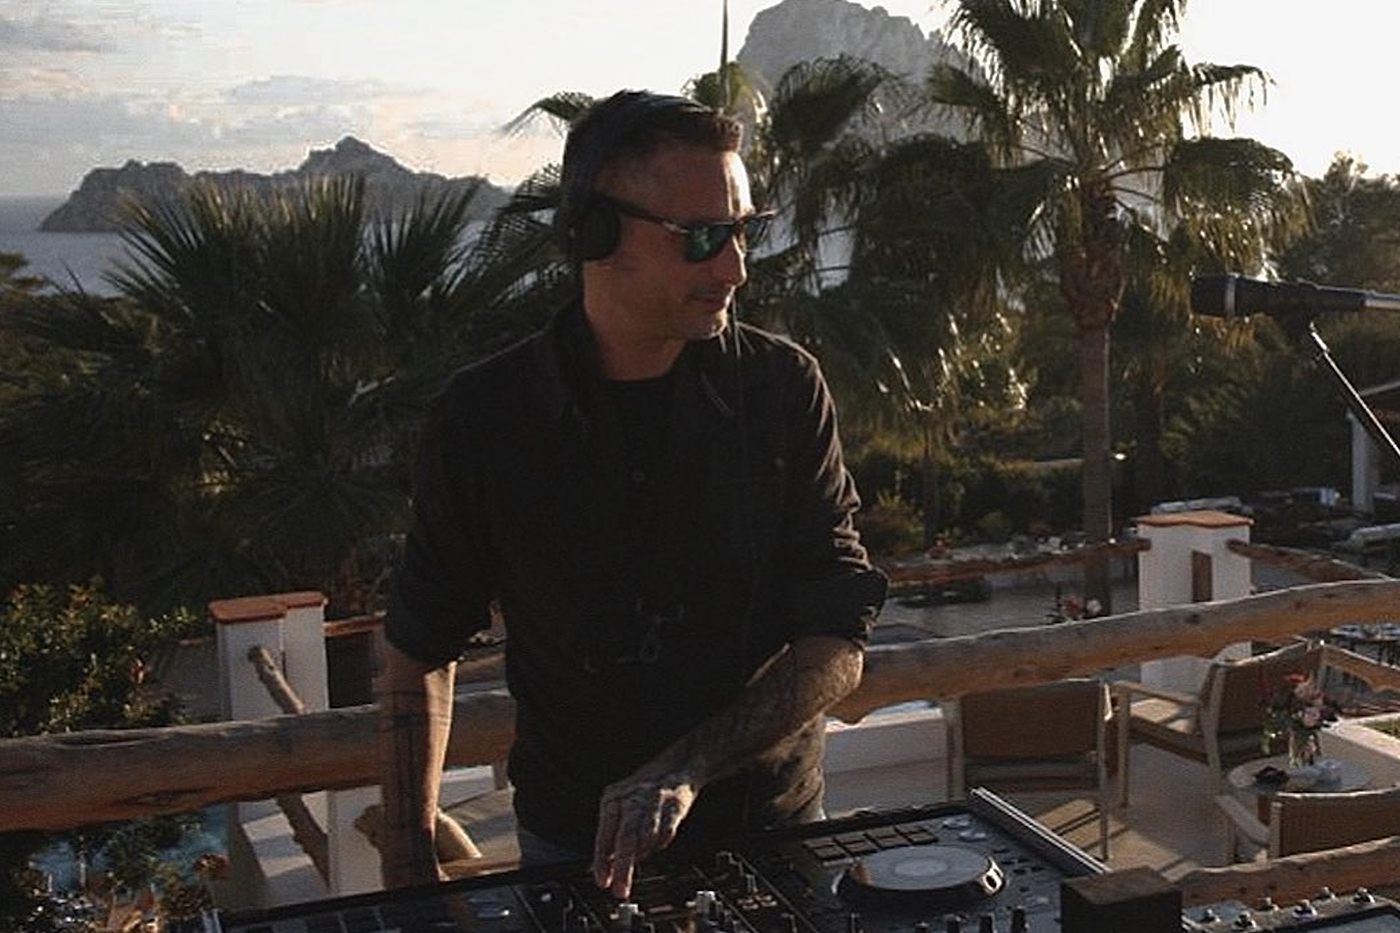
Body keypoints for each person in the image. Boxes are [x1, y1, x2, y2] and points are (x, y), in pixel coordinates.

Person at [376, 89, 887, 899]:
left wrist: (685, 766)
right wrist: (408, 868)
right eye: (703, 237)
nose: (735, 267)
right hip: (573, 854)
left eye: (743, 232)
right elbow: (421, 643)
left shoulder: (783, 390)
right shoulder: (484, 418)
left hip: (776, 838)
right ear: (596, 233)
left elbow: (838, 642)